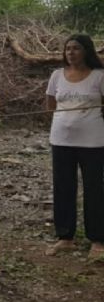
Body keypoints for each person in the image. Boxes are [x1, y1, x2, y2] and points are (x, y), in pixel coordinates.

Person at [43, 34, 104, 260]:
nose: (71, 52)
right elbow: (51, 104)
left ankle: (97, 239)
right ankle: (65, 237)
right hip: (61, 141)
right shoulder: (57, 75)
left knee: (94, 190)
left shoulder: (99, 76)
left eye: (76, 48)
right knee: (63, 188)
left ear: (86, 51)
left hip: (93, 142)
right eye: (68, 49)